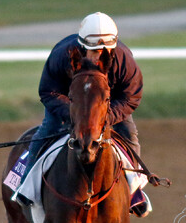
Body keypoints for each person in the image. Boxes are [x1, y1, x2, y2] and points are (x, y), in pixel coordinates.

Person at [13, 12, 146, 212]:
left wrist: (106, 117)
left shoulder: (123, 61)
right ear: (82, 47)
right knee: (43, 135)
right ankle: (26, 187)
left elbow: (131, 97)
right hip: (69, 105)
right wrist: (73, 113)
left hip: (108, 107)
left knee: (131, 137)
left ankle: (134, 192)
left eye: (106, 51)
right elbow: (48, 91)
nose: (100, 55)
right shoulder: (62, 56)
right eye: (95, 50)